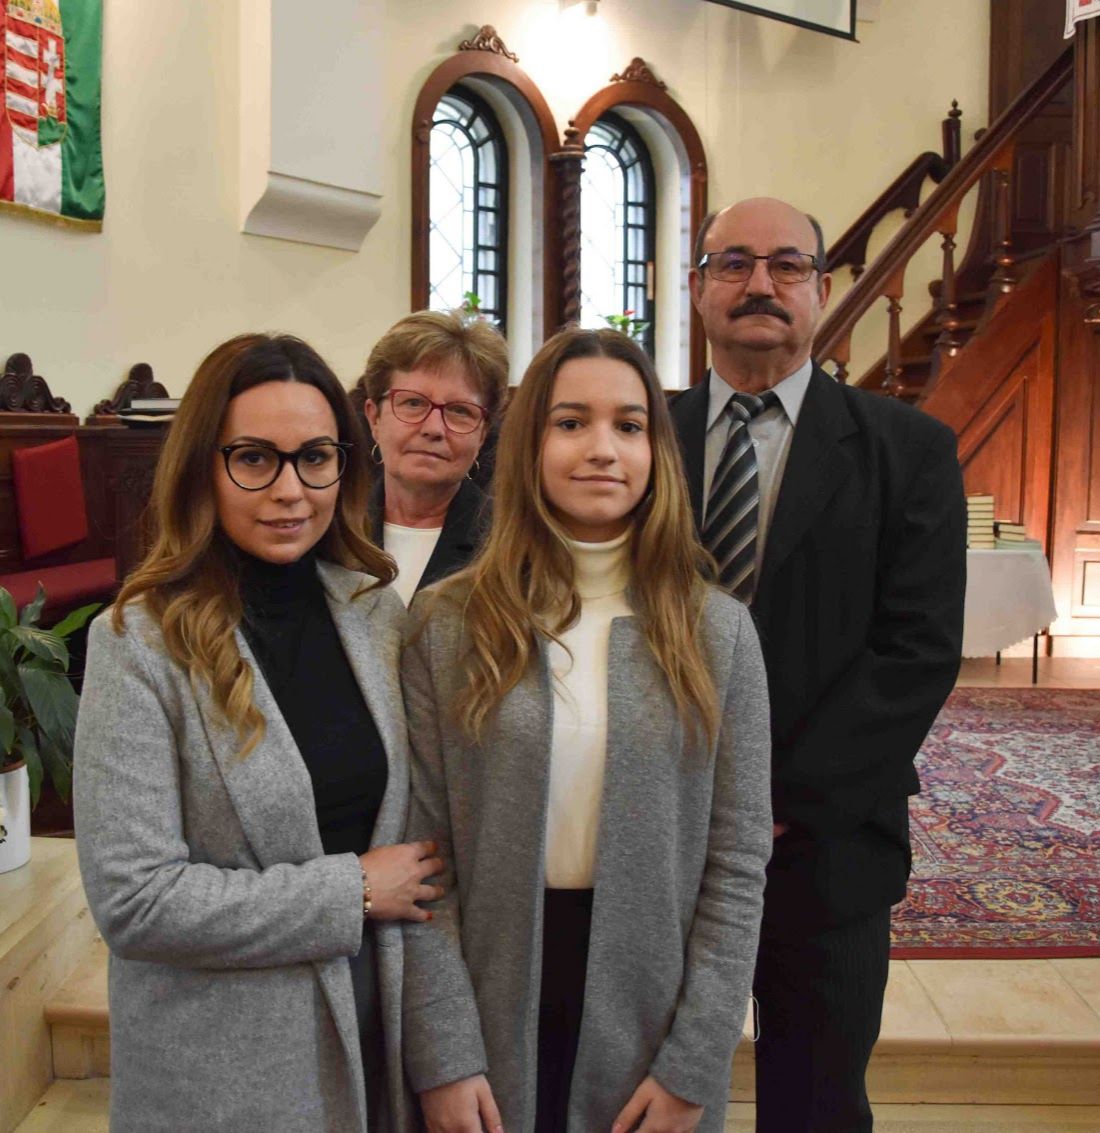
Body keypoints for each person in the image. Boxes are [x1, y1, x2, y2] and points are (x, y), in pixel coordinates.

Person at [402, 327, 772, 1133]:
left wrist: (694, 1060)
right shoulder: (448, 622)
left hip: (649, 1001)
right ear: (528, 444)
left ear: (655, 451)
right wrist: (443, 1051)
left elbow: (737, 864)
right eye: (570, 422)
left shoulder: (716, 631)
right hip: (491, 987)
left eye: (628, 425)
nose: (602, 448)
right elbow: (421, 857)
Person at [74, 333, 442, 1132]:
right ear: (202, 466)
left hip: (370, 1031)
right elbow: (134, 899)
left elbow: (418, 839)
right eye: (253, 458)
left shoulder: (374, 613)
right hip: (225, 1069)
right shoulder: (139, 641)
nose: (289, 490)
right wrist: (351, 889)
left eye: (314, 458)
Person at [672, 198, 966, 1132]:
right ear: (696, 289)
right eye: (733, 263)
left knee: (816, 1104)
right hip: (653, 830)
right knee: (639, 1092)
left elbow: (916, 651)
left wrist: (770, 798)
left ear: (823, 289)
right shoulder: (637, 439)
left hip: (827, 838)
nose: (759, 284)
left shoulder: (907, 450)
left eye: (786, 265)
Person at [358, 310, 509, 605]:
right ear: (374, 418)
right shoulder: (333, 532)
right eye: (413, 403)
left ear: (482, 433)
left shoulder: (509, 543)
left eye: (460, 410)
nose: (434, 429)